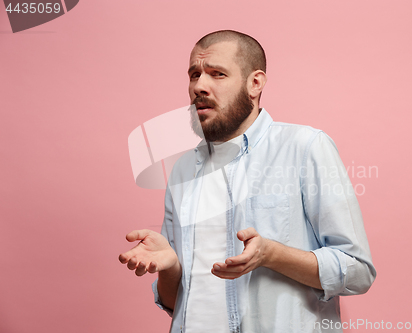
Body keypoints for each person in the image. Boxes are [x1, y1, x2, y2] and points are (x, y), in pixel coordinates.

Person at [119, 30, 376, 333]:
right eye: (194, 74)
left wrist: (272, 255)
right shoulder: (183, 169)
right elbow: (177, 303)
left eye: (217, 74)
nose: (199, 86)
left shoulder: (305, 147)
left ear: (255, 83)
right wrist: (170, 266)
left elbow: (357, 271)